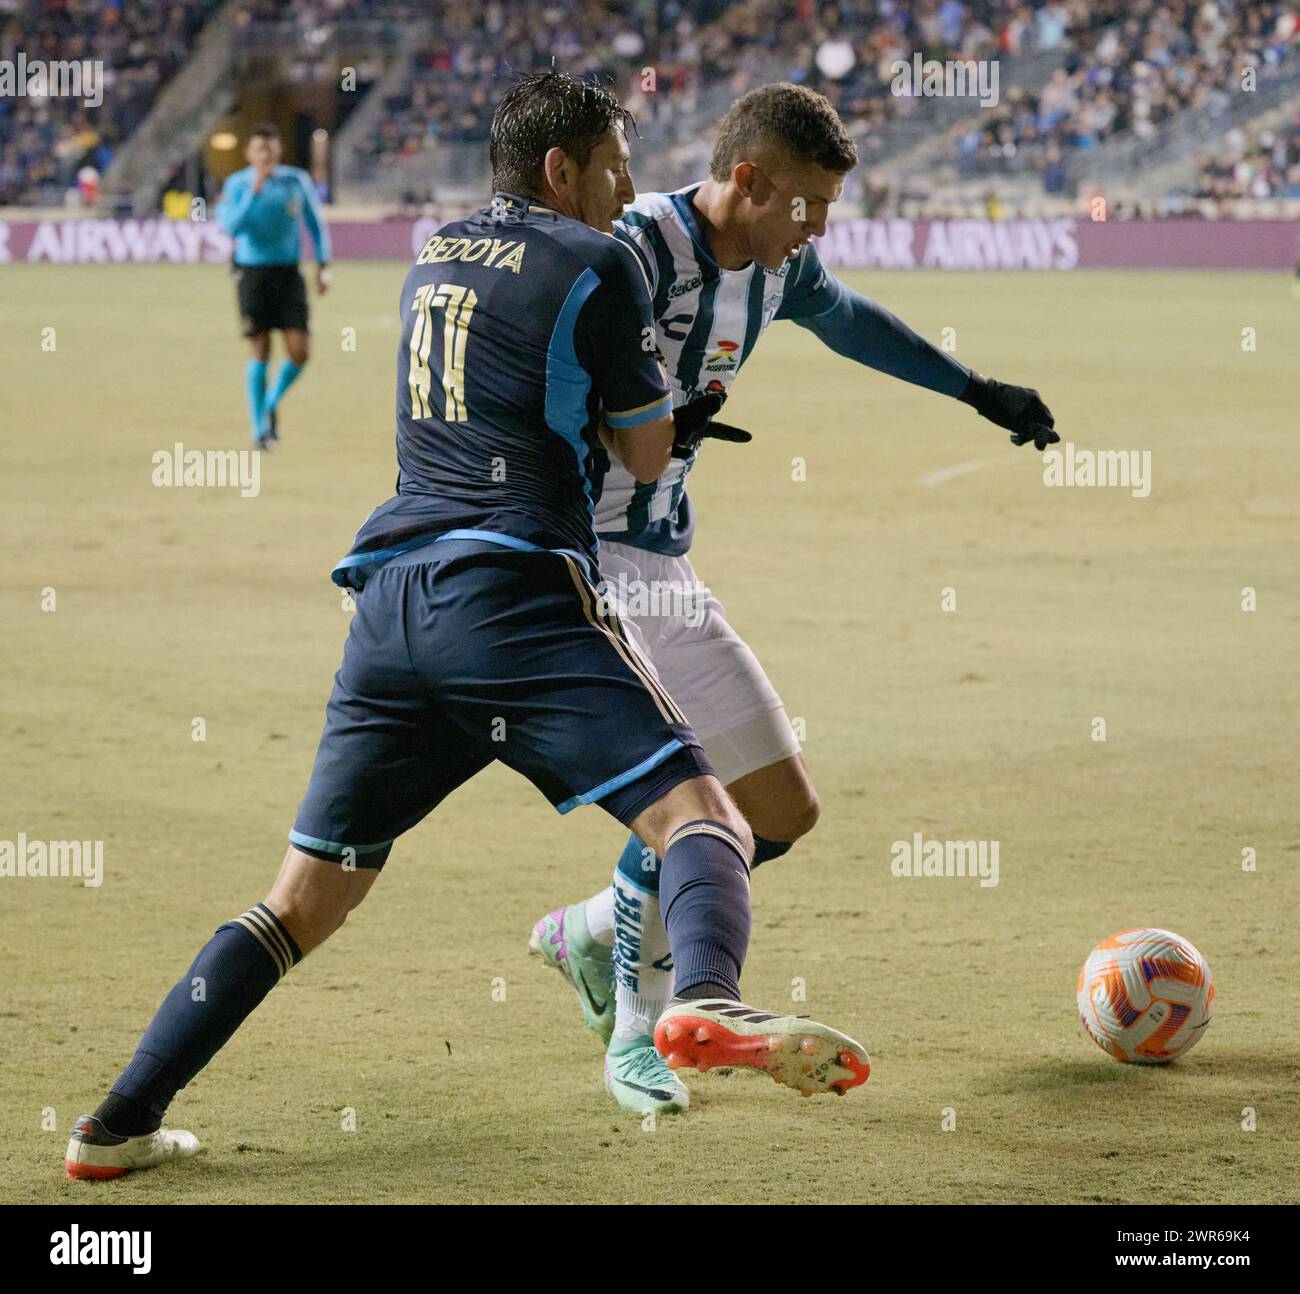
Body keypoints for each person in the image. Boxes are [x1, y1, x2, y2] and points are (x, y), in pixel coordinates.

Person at [65, 73, 869, 1182]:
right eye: (613, 171)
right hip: (515, 595)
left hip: (391, 606)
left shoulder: (434, 250)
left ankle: (115, 1124)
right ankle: (705, 1001)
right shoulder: (597, 267)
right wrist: (667, 418)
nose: (625, 192)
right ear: (561, 171)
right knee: (705, 821)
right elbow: (642, 455)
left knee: (300, 901)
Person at [530, 82, 1057, 1116]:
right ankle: (644, 1023)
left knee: (778, 809)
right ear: (746, 180)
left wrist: (972, 388)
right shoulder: (630, 249)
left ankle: (589, 930)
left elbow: (848, 317)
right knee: (688, 811)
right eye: (808, 206)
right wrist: (616, 433)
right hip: (582, 560)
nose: (819, 229)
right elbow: (533, 366)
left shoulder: (779, 265)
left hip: (660, 561)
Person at [215, 123, 331, 449]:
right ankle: (259, 429)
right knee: (260, 350)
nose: (265, 155)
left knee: (300, 351)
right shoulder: (238, 184)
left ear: (277, 150)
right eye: (258, 150)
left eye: (270, 148)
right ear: (249, 154)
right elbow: (231, 227)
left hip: (288, 274)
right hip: (251, 274)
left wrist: (323, 265)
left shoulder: (296, 181)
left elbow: (315, 224)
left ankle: (268, 404)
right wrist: (254, 189)